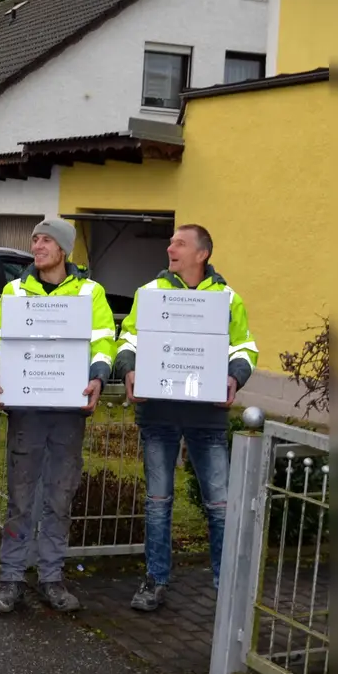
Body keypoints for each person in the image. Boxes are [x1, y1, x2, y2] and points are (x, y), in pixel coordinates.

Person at [114, 224, 257, 612]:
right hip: (158, 413)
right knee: (158, 502)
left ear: (202, 254)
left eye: (179, 242)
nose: (170, 247)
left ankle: (223, 585)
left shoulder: (228, 298)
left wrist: (234, 377)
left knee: (220, 505)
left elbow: (244, 346)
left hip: (206, 418)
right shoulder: (150, 293)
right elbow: (129, 340)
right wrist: (129, 369)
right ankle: (155, 581)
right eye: (170, 241)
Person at [0, 219, 116, 615]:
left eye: (45, 240)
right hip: (27, 412)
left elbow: (103, 340)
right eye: (35, 239)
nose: (37, 246)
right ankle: (11, 578)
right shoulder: (15, 290)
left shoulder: (90, 293)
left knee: (60, 496)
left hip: (68, 413)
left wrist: (97, 376)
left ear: (64, 249)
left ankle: (52, 577)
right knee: (21, 498)